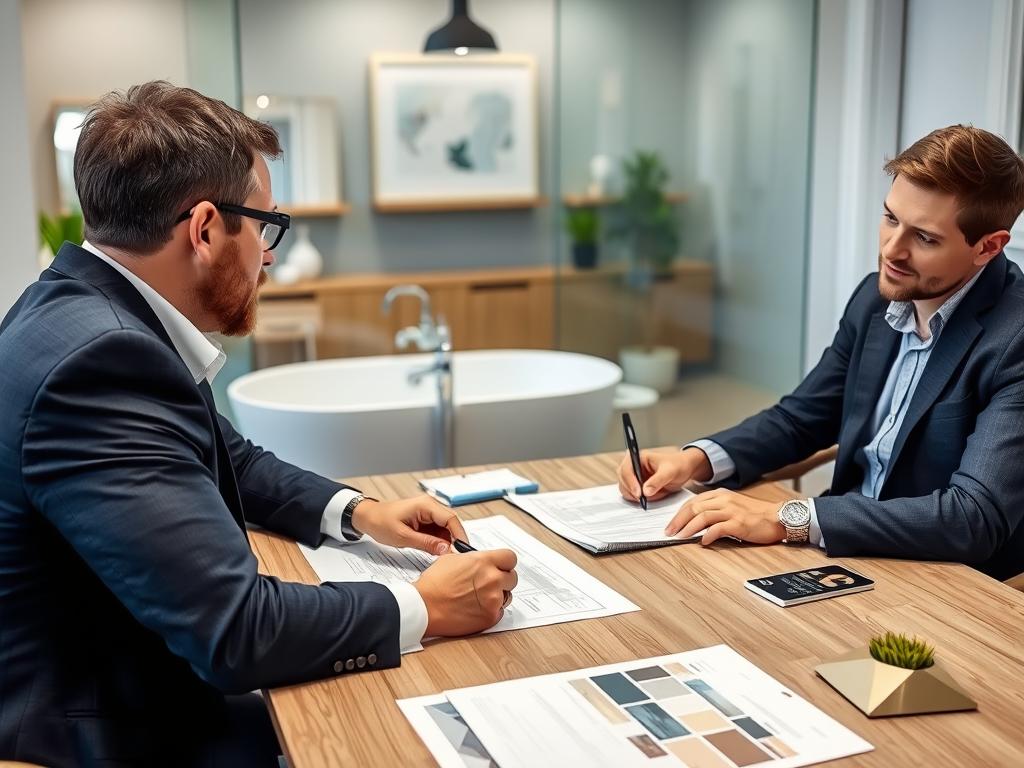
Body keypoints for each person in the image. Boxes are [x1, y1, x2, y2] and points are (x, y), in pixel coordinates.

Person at [0, 81, 518, 767]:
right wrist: (421, 606)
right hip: (108, 729)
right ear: (207, 229)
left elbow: (225, 454)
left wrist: (360, 513)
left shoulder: (80, 309)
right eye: (267, 226)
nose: (269, 255)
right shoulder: (102, 362)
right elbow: (235, 633)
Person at [619, 124, 1024, 582]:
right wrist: (697, 459)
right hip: (840, 554)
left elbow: (973, 518)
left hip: (943, 580)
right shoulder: (877, 299)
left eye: (925, 238)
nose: (892, 250)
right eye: (890, 218)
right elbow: (803, 416)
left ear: (988, 247)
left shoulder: (1015, 341)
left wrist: (788, 517)